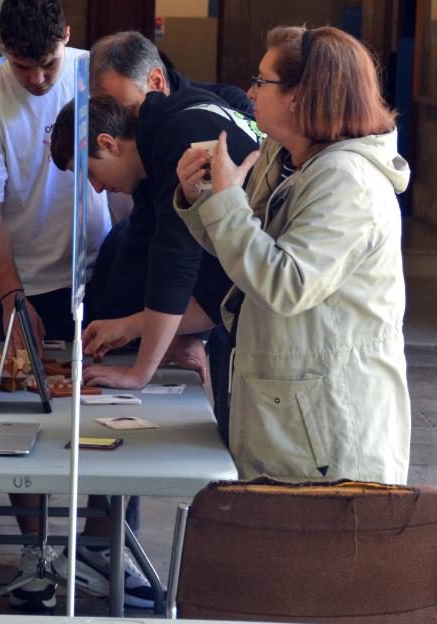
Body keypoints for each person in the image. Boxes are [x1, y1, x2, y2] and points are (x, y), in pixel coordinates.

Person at [175, 25, 411, 483]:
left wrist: (226, 200)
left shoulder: (348, 181)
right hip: (289, 418)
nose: (250, 92)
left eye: (262, 82)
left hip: (329, 431)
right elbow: (248, 258)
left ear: (301, 96)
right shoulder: (284, 156)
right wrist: (205, 199)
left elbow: (285, 284)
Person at [0, 0, 127, 610]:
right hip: (19, 282)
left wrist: (129, 265)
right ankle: (36, 554)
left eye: (47, 65)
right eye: (22, 66)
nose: (35, 79)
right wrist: (10, 292)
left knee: (111, 412)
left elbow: (129, 169)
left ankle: (103, 548)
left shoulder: (92, 77)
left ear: (68, 39)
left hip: (94, 271)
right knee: (20, 421)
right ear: (2, 48)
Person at [49, 90, 259, 391]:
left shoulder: (181, 140)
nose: (95, 189)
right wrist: (132, 326)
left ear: (107, 143)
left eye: (90, 173)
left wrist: (139, 373)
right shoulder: (166, 126)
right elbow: (215, 290)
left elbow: (177, 267)